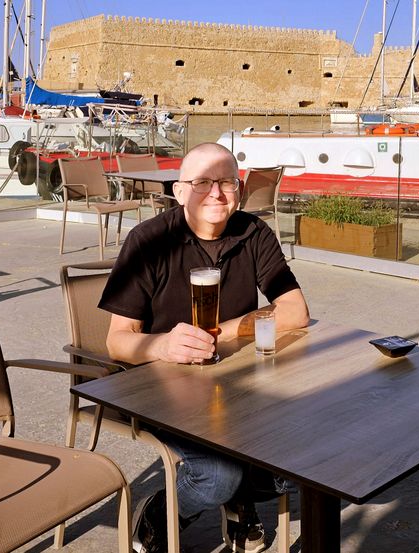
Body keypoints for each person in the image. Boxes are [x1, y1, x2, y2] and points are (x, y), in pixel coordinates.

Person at [99, 142, 310, 553]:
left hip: (233, 380)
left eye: (226, 182)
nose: (216, 193)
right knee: (217, 475)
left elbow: (295, 311)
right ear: (179, 192)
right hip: (161, 385)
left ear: (239, 188)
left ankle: (236, 498)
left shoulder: (252, 232)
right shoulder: (148, 241)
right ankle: (160, 513)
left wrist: (222, 332)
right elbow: (117, 341)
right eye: (202, 182)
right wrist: (162, 345)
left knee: (305, 455)